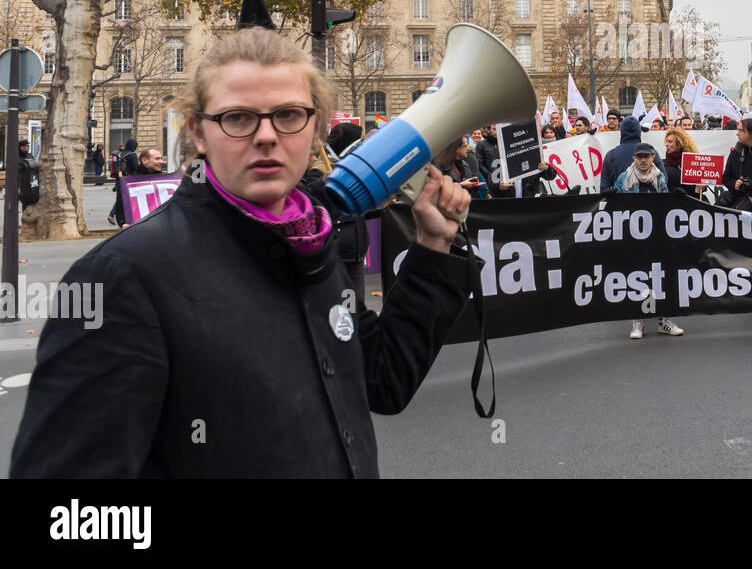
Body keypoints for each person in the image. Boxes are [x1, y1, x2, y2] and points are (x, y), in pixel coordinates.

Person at [11, 26, 474, 477]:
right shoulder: (120, 278)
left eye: (289, 115)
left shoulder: (311, 243)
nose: (267, 136)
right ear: (198, 132)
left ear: (314, 127)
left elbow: (384, 382)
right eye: (238, 118)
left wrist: (433, 247)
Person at [614, 144, 684, 340]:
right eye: (639, 157)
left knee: (661, 278)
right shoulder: (623, 179)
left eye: (647, 156)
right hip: (634, 237)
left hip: (657, 236)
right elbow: (617, 208)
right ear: (634, 158)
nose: (643, 160)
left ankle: (663, 321)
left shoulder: (660, 177)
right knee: (638, 278)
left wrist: (675, 197)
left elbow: (666, 204)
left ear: (653, 158)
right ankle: (638, 322)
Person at [600, 115, 664, 192]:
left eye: (645, 157)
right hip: (650, 202)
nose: (643, 160)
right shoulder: (652, 152)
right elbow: (664, 181)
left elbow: (604, 188)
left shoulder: (610, 155)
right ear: (639, 131)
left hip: (620, 202)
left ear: (622, 131)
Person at [662, 127, 700, 194]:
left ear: (680, 144)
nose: (666, 144)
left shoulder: (692, 163)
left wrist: (700, 187)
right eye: (666, 141)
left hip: (691, 200)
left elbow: (696, 188)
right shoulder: (662, 164)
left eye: (670, 142)